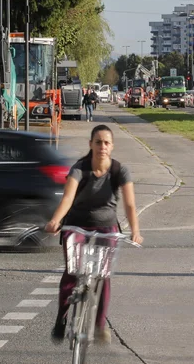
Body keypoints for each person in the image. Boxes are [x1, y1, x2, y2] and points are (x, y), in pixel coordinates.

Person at [44, 124, 143, 344]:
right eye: (98, 142)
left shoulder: (120, 171)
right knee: (72, 271)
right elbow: (67, 198)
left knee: (103, 276)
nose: (102, 147)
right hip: (77, 225)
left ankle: (99, 325)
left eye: (107, 142)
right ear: (90, 144)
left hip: (107, 228)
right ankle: (62, 317)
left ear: (112, 146)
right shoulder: (80, 168)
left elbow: (129, 204)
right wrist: (55, 220)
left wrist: (135, 231)